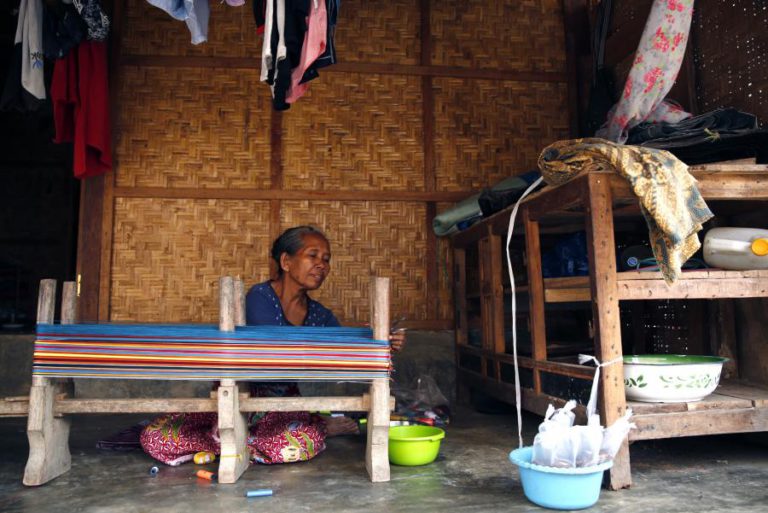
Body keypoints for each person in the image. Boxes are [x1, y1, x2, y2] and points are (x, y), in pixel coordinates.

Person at [140, 226, 406, 466]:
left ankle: (241, 444)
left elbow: (346, 353)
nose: (321, 265)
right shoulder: (260, 297)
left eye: (326, 259)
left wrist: (381, 344)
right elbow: (272, 350)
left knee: (302, 442)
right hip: (239, 398)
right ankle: (247, 441)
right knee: (156, 437)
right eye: (312, 256)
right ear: (286, 261)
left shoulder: (321, 316)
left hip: (282, 407)